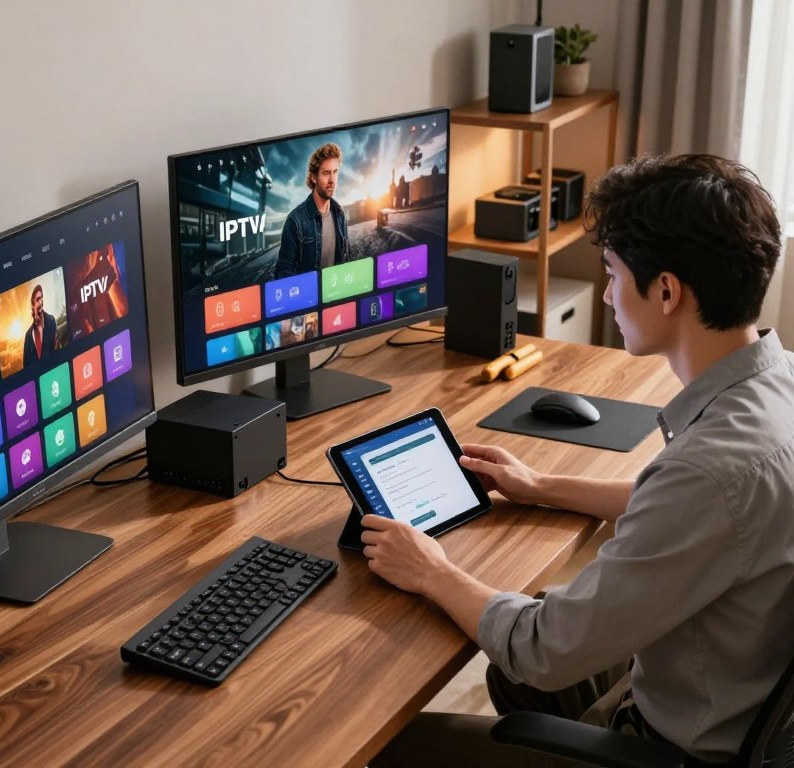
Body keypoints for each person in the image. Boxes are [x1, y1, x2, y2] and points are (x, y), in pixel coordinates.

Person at [365, 153, 792, 767]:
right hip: (732, 696)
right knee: (514, 678)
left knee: (395, 744)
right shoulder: (778, 387)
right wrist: (540, 484)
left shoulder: (709, 473)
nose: (611, 292)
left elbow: (542, 649)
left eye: (614, 274)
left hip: (673, 748)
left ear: (666, 291)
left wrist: (432, 569)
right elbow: (704, 511)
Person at [274, 142, 351, 277]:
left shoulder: (340, 213)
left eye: (335, 172)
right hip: (309, 297)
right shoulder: (295, 220)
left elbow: (347, 258)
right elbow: (282, 272)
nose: (332, 180)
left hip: (338, 293)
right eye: (326, 173)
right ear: (313, 177)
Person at [22, 284, 58, 366]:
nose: (41, 302)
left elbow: (57, 350)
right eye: (38, 299)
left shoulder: (51, 321)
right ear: (32, 305)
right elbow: (26, 365)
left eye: (42, 298)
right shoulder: (28, 336)